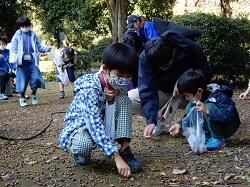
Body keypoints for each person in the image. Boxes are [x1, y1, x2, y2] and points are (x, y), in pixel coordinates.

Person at [58, 43, 142, 178]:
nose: (123, 81)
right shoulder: (90, 89)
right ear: (105, 69)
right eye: (119, 75)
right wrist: (115, 157)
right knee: (83, 146)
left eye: (128, 77)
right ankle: (80, 155)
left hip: (103, 122)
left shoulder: (118, 84)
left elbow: (122, 110)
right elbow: (94, 124)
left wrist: (117, 94)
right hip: (83, 125)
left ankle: (124, 149)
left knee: (124, 100)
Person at [128, 30, 212, 139]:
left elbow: (205, 74)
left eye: (164, 66)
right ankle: (158, 121)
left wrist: (183, 81)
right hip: (163, 93)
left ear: (174, 51)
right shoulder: (146, 57)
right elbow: (147, 89)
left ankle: (189, 122)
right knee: (131, 98)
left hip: (189, 94)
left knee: (212, 99)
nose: (161, 68)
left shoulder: (190, 48)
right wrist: (151, 120)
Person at [169, 69, 241, 150]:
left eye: (188, 96)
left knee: (209, 107)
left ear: (199, 91)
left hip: (228, 127)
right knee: (190, 106)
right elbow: (190, 116)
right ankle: (205, 136)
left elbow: (228, 116)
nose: (187, 98)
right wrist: (179, 125)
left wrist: (208, 111)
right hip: (212, 127)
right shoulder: (199, 98)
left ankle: (218, 138)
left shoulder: (219, 96)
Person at [9, 16, 53, 106]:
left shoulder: (33, 34)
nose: (25, 27)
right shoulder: (16, 36)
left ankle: (33, 94)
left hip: (33, 61)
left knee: (36, 77)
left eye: (26, 25)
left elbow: (39, 47)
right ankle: (22, 97)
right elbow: (13, 50)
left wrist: (48, 48)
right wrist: (13, 58)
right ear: (20, 26)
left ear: (29, 25)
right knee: (22, 80)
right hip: (22, 62)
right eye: (23, 26)